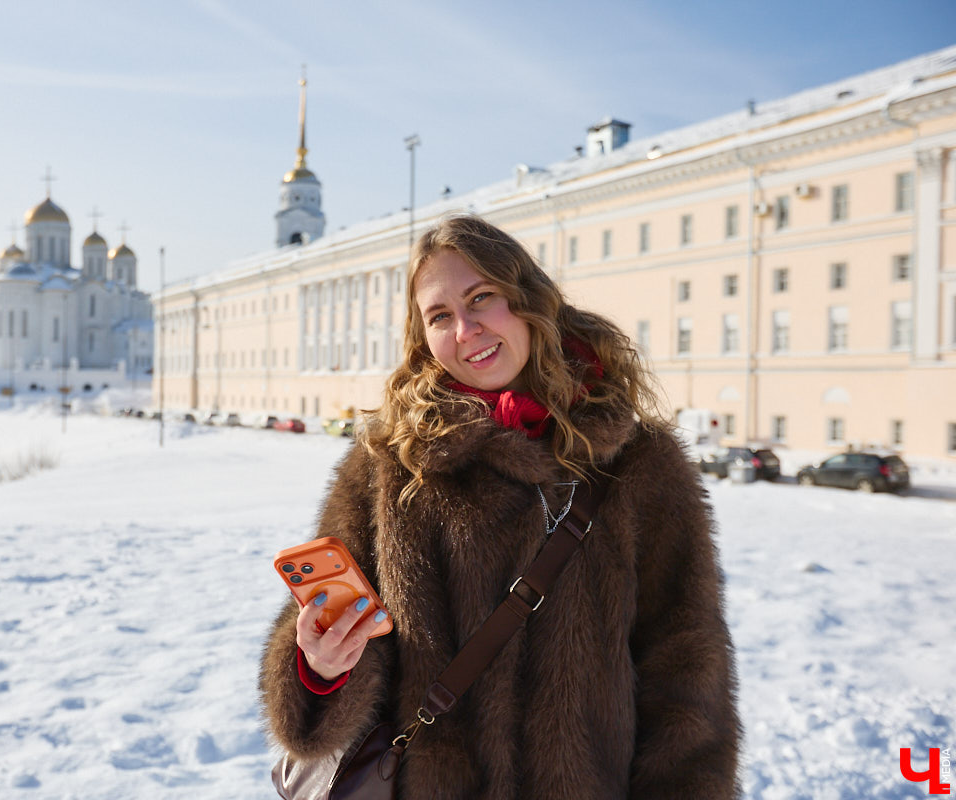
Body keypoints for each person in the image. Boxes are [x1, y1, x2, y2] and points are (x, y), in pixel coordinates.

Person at [260, 215, 741, 799]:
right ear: (424, 339)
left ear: (527, 300)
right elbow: (351, 644)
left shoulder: (638, 464)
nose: (465, 329)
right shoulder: (392, 466)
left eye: (481, 298)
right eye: (439, 316)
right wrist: (321, 666)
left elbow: (687, 679)